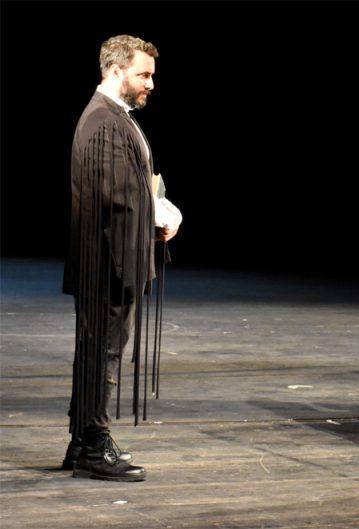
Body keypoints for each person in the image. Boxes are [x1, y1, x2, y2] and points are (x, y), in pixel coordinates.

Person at [62, 35, 181, 482]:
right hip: (108, 262)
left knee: (98, 349)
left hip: (110, 258)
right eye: (143, 74)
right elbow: (120, 196)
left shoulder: (111, 118)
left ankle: (81, 441)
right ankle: (94, 445)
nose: (150, 83)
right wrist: (165, 215)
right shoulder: (104, 121)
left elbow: (132, 186)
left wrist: (159, 208)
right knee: (103, 352)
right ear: (116, 71)